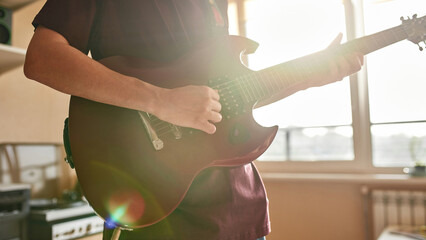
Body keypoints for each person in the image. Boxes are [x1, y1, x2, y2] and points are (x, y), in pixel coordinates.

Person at [24, 0, 363, 239]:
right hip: (158, 212)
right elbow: (42, 58)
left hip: (241, 212)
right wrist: (160, 101)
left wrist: (309, 78)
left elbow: (230, 97)